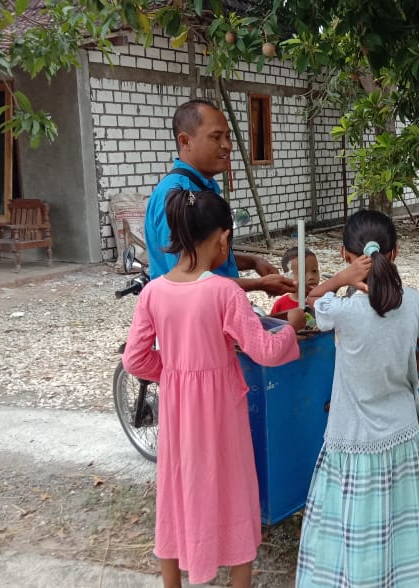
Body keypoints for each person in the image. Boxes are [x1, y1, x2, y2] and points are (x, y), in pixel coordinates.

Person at [122, 189, 303, 587]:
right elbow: (264, 351)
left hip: (178, 413)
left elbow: (134, 360)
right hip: (221, 414)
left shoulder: (153, 292)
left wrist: (173, 375)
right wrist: (292, 326)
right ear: (223, 238)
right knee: (233, 491)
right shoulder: (224, 293)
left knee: (176, 492)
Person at [295, 210, 419, 587]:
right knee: (399, 526)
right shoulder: (418, 304)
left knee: (353, 528)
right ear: (395, 253)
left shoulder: (341, 311)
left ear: (346, 255)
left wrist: (342, 278)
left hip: (352, 439)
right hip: (401, 436)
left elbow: (311, 298)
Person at [145, 99, 294, 295]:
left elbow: (206, 254)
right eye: (216, 137)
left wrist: (253, 261)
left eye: (228, 136)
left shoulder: (204, 185)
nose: (227, 146)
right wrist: (260, 284)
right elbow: (189, 281)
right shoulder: (177, 197)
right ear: (185, 141)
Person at [269, 247, 321, 326]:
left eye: (314, 271)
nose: (311, 277)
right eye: (303, 273)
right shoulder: (281, 305)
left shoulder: (324, 299)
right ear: (288, 277)